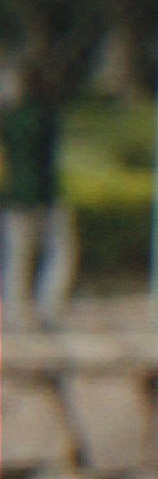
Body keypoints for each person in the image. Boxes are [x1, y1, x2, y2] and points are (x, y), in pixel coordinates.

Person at [2, 59, 74, 334]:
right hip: (46, 195)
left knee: (17, 257)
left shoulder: (10, 119)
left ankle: (16, 314)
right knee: (61, 251)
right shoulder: (47, 116)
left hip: (15, 194)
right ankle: (50, 308)